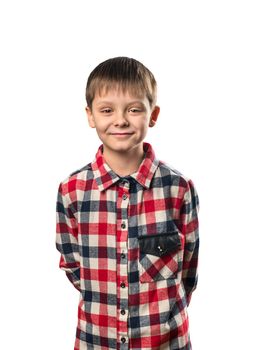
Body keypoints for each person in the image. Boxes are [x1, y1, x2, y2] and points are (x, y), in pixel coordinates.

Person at [56, 56, 199, 350]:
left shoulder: (178, 188)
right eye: (107, 110)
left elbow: (189, 270)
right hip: (96, 340)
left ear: (153, 115)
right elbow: (72, 264)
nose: (120, 120)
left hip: (164, 341)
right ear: (91, 116)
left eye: (134, 109)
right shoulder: (72, 190)